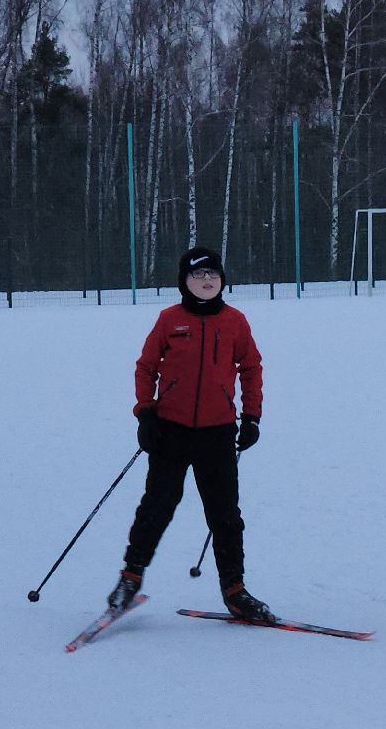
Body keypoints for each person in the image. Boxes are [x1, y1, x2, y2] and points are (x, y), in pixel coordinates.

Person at [106, 246, 275, 623]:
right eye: (198, 275)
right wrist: (145, 413)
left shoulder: (235, 322)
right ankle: (129, 580)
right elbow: (145, 368)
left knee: (225, 515)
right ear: (185, 281)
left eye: (212, 275)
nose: (206, 281)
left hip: (217, 433)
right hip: (170, 431)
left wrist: (251, 417)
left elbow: (251, 368)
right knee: (157, 506)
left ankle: (235, 590)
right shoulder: (169, 319)